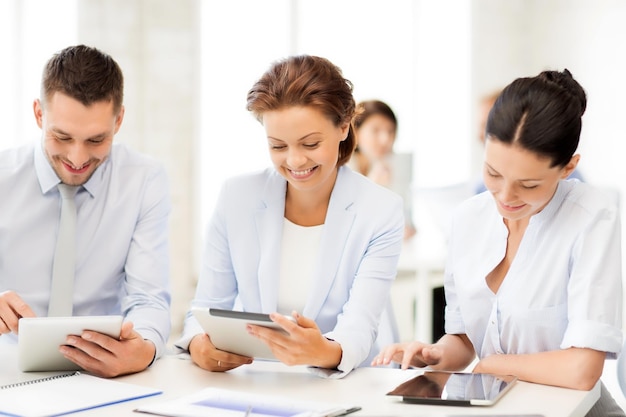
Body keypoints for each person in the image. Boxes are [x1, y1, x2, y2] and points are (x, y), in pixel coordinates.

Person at [373, 69, 624, 416]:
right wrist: (437, 354)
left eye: (529, 184)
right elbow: (463, 342)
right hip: (493, 407)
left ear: (568, 167)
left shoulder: (592, 216)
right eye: (493, 173)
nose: (505, 196)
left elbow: (582, 370)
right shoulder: (467, 219)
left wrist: (494, 364)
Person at [176, 55, 405, 377]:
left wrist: (323, 350)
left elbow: (360, 325)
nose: (295, 161)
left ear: (343, 127)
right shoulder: (237, 198)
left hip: (340, 382)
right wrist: (198, 344)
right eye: (278, 146)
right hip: (252, 380)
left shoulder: (381, 211)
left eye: (310, 143)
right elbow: (206, 306)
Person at [0, 45, 172, 377]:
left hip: (101, 373)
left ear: (118, 120)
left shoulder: (144, 180)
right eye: (62, 136)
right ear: (39, 114)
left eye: (96, 140)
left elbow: (149, 298)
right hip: (7, 368)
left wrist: (145, 349)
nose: (77, 159)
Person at [474, 88, 584, 194]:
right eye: (493, 174)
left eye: (528, 185)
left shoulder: (568, 182)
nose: (480, 135)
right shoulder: (480, 187)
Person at [349, 100, 416, 240]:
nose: (385, 139)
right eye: (376, 130)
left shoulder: (388, 166)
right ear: (356, 131)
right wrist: (374, 187)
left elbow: (405, 221)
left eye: (390, 131)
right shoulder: (342, 167)